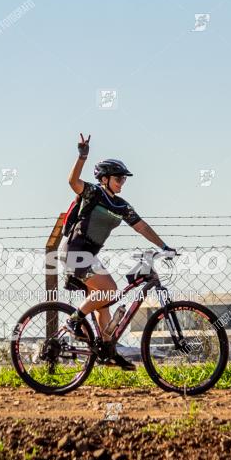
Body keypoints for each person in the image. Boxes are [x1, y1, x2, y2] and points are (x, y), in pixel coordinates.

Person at [60, 133, 175, 371]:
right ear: (104, 179)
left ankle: (107, 351)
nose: (122, 182)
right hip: (74, 250)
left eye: (124, 179)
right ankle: (74, 321)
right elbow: (73, 182)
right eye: (118, 178)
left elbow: (141, 226)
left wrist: (162, 246)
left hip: (90, 255)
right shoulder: (93, 192)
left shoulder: (121, 205)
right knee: (109, 291)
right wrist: (82, 156)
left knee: (104, 305)